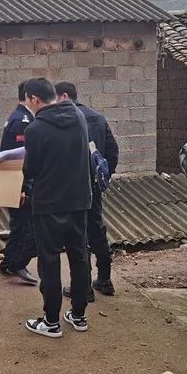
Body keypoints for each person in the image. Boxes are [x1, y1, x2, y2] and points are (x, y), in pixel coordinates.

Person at [21, 78, 92, 338]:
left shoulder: (35, 130)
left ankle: (51, 322)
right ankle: (79, 315)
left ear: (34, 100)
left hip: (49, 204)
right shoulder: (79, 116)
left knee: (49, 262)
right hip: (79, 200)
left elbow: (31, 169)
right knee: (79, 256)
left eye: (28, 101)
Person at [55, 82, 119, 300]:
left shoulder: (65, 120)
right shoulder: (98, 118)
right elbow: (112, 151)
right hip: (93, 185)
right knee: (97, 229)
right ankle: (105, 279)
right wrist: (103, 178)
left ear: (64, 96)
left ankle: (82, 289)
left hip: (73, 189)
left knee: (77, 237)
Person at [0, 81, 38, 285]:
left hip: (13, 181)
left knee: (18, 225)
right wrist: (22, 188)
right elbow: (19, 157)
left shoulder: (18, 117)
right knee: (27, 227)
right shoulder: (22, 121)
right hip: (18, 183)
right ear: (31, 97)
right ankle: (18, 263)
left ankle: (8, 263)